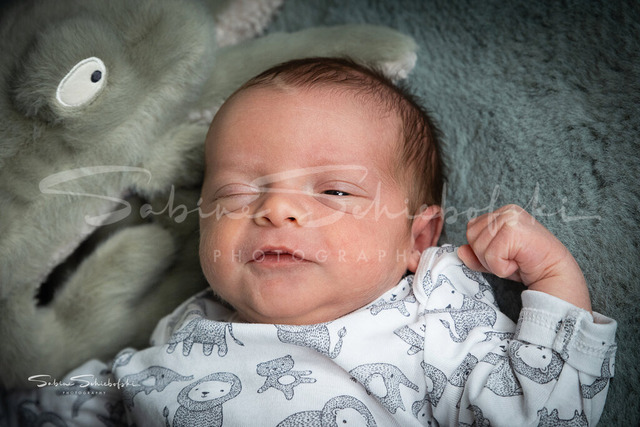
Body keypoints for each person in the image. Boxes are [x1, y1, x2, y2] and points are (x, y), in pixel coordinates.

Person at [8, 58, 616, 426]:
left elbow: (542, 412)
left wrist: (552, 278)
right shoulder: (187, 332)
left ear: (417, 239)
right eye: (237, 193)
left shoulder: (431, 318)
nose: (276, 209)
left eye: (335, 191)